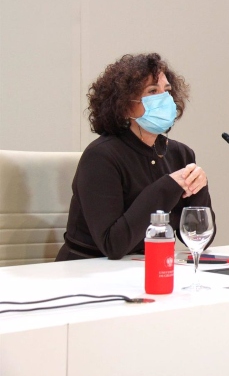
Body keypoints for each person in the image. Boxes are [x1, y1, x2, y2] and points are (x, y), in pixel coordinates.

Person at [56, 53, 216, 260]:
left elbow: (199, 239)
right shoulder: (101, 156)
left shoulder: (181, 154)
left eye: (167, 91)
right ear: (124, 105)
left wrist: (199, 188)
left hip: (146, 264)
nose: (164, 99)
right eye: (152, 91)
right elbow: (113, 245)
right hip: (88, 267)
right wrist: (167, 187)